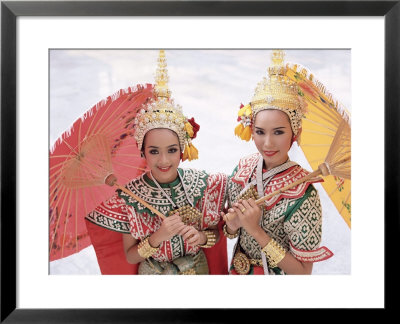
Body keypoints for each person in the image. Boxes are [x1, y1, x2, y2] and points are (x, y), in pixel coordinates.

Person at [85, 50, 228, 275]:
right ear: (142, 152)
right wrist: (158, 236)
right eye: (154, 151)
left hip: (196, 272)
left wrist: (200, 237)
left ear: (183, 150)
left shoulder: (202, 184)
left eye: (172, 150)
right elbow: (130, 255)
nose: (163, 160)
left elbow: (216, 234)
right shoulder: (130, 195)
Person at [222, 50, 333, 275]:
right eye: (260, 132)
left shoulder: (303, 192)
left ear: (296, 131)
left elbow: (302, 273)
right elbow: (229, 231)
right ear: (250, 130)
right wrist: (232, 225)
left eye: (279, 132)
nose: (268, 143)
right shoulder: (242, 170)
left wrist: (256, 231)